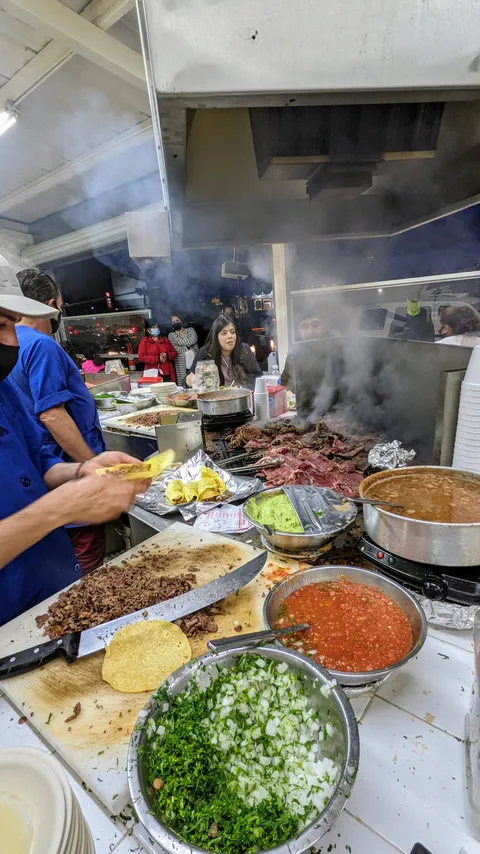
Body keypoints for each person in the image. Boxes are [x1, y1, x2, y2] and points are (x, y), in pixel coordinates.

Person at [0, 254, 148, 626]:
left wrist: (85, 468)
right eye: (1, 325)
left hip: (52, 591)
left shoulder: (3, 391)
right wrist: (62, 508)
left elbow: (39, 463)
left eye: (13, 324)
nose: (12, 341)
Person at [11, 268, 109, 572]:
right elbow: (52, 414)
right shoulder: (41, 345)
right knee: (85, 561)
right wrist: (95, 469)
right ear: (51, 305)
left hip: (46, 475)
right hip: (66, 472)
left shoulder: (14, 343)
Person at [186, 314, 262, 389]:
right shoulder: (205, 353)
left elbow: (258, 375)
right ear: (216, 337)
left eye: (232, 332)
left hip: (242, 396)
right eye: (224, 333)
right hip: (216, 398)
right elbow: (187, 381)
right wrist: (192, 380)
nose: (230, 336)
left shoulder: (244, 349)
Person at [281, 311, 340, 387]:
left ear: (325, 327)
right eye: (304, 327)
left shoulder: (337, 351)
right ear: (299, 331)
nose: (310, 332)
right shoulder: (294, 355)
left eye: (315, 325)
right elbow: (284, 384)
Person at [168, 314, 198, 385]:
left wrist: (179, 342)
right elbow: (176, 349)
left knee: (196, 383)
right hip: (181, 364)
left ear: (181, 321)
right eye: (173, 322)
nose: (176, 322)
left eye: (177, 320)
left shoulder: (191, 330)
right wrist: (189, 347)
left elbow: (193, 340)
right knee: (184, 385)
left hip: (194, 362)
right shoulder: (171, 335)